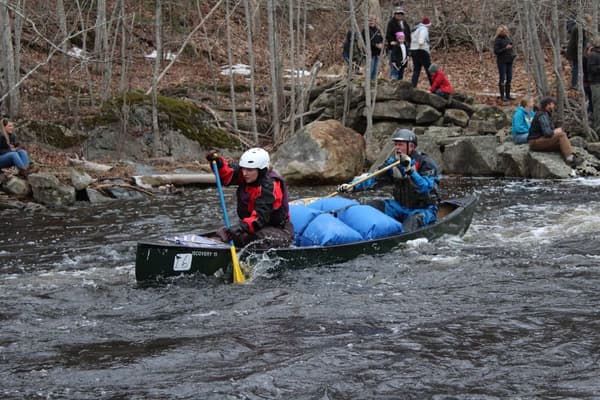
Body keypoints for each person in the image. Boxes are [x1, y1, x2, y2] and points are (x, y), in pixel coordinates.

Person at [337, 128, 440, 230]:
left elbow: (426, 188)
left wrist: (410, 171)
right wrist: (352, 186)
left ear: (411, 146)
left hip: (422, 210)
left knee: (412, 222)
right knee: (369, 206)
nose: (397, 148)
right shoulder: (392, 163)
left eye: (400, 145)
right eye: (396, 144)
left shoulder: (426, 163)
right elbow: (373, 178)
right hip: (398, 207)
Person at [205, 147, 294, 248]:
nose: (244, 173)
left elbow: (261, 217)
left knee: (254, 239)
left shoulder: (271, 186)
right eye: (243, 168)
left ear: (261, 170)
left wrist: (242, 227)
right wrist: (218, 162)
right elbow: (228, 174)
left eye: (249, 170)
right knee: (223, 234)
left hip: (278, 230)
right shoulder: (247, 174)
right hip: (252, 226)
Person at [528, 96, 581, 168]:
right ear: (548, 105)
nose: (554, 106)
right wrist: (555, 131)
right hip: (535, 142)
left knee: (562, 144)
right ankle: (570, 159)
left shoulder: (545, 114)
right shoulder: (542, 115)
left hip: (539, 141)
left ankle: (571, 158)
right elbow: (547, 133)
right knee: (562, 135)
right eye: (552, 104)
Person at [566, 14, 592, 89]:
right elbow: (579, 42)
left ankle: (577, 82)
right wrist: (586, 48)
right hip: (574, 52)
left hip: (575, 51)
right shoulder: (579, 28)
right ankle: (575, 84)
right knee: (576, 67)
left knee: (576, 66)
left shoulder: (580, 27)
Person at [385, 7, 411, 80]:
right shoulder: (391, 23)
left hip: (403, 49)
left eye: (401, 14)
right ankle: (393, 85)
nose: (399, 15)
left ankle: (400, 84)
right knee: (394, 68)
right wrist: (392, 42)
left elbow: (408, 36)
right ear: (394, 14)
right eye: (397, 13)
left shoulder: (405, 24)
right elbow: (388, 35)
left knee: (402, 68)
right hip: (394, 49)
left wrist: (408, 49)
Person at [493, 25, 516, 102]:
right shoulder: (497, 40)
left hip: (509, 60)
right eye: (504, 31)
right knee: (502, 78)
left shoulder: (507, 38)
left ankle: (508, 95)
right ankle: (502, 96)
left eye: (506, 31)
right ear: (500, 32)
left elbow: (510, 47)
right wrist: (505, 48)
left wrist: (513, 54)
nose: (506, 32)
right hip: (502, 61)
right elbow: (496, 51)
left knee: (509, 77)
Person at [409, 16, 433, 88]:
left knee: (416, 70)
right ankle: (433, 86)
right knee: (429, 70)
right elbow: (421, 40)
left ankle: (413, 86)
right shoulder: (423, 29)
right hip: (422, 51)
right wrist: (421, 44)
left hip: (413, 50)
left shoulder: (415, 29)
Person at [365, 15, 384, 81]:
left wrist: (382, 44)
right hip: (370, 54)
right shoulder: (365, 30)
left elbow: (381, 39)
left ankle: (373, 83)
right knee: (371, 69)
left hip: (377, 53)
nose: (371, 22)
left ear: (375, 21)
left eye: (373, 20)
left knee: (376, 70)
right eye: (370, 20)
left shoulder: (377, 30)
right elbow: (365, 41)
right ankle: (368, 83)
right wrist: (376, 45)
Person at [587, 36, 600, 135]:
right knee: (597, 105)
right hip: (596, 84)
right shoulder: (593, 55)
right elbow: (591, 69)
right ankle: (598, 127)